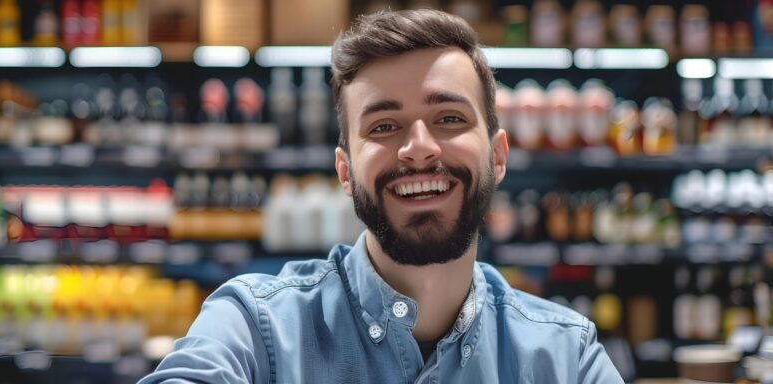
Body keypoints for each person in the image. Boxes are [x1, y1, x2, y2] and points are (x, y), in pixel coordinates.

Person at [139, 9, 624, 384]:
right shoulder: (256, 326)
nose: (419, 149)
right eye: (384, 126)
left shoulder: (567, 355)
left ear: (498, 157)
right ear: (345, 172)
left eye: (449, 119)